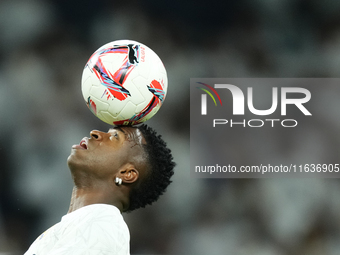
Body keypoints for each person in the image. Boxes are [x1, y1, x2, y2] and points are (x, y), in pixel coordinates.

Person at [24, 124, 175, 255]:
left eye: (114, 137)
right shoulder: (85, 225)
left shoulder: (103, 229)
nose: (95, 133)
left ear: (127, 174)